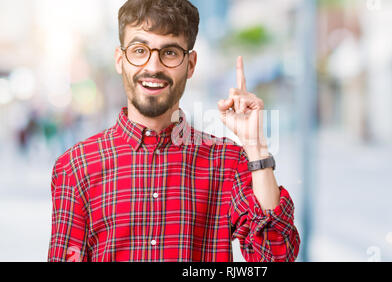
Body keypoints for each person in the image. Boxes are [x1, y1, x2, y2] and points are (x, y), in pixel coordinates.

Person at [48, 0, 300, 262]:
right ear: (120, 60)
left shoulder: (228, 162)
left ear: (190, 64)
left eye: (169, 53)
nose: (153, 67)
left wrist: (255, 145)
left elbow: (275, 257)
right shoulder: (76, 167)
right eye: (139, 50)